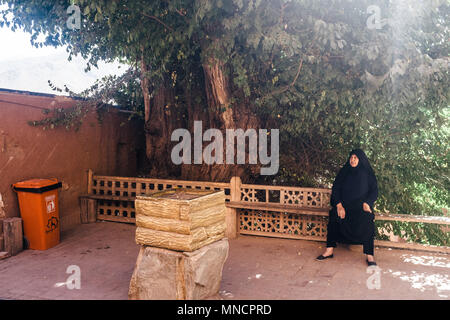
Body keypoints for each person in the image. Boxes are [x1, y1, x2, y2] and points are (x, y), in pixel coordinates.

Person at [316, 149, 378, 266]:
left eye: (355, 158)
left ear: (360, 159)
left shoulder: (367, 173)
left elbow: (374, 191)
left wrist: (367, 203)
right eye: (351, 157)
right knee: (334, 215)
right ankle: (329, 250)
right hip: (344, 206)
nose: (352, 160)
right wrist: (339, 205)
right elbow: (336, 189)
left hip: (361, 207)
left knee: (368, 219)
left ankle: (370, 256)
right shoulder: (344, 172)